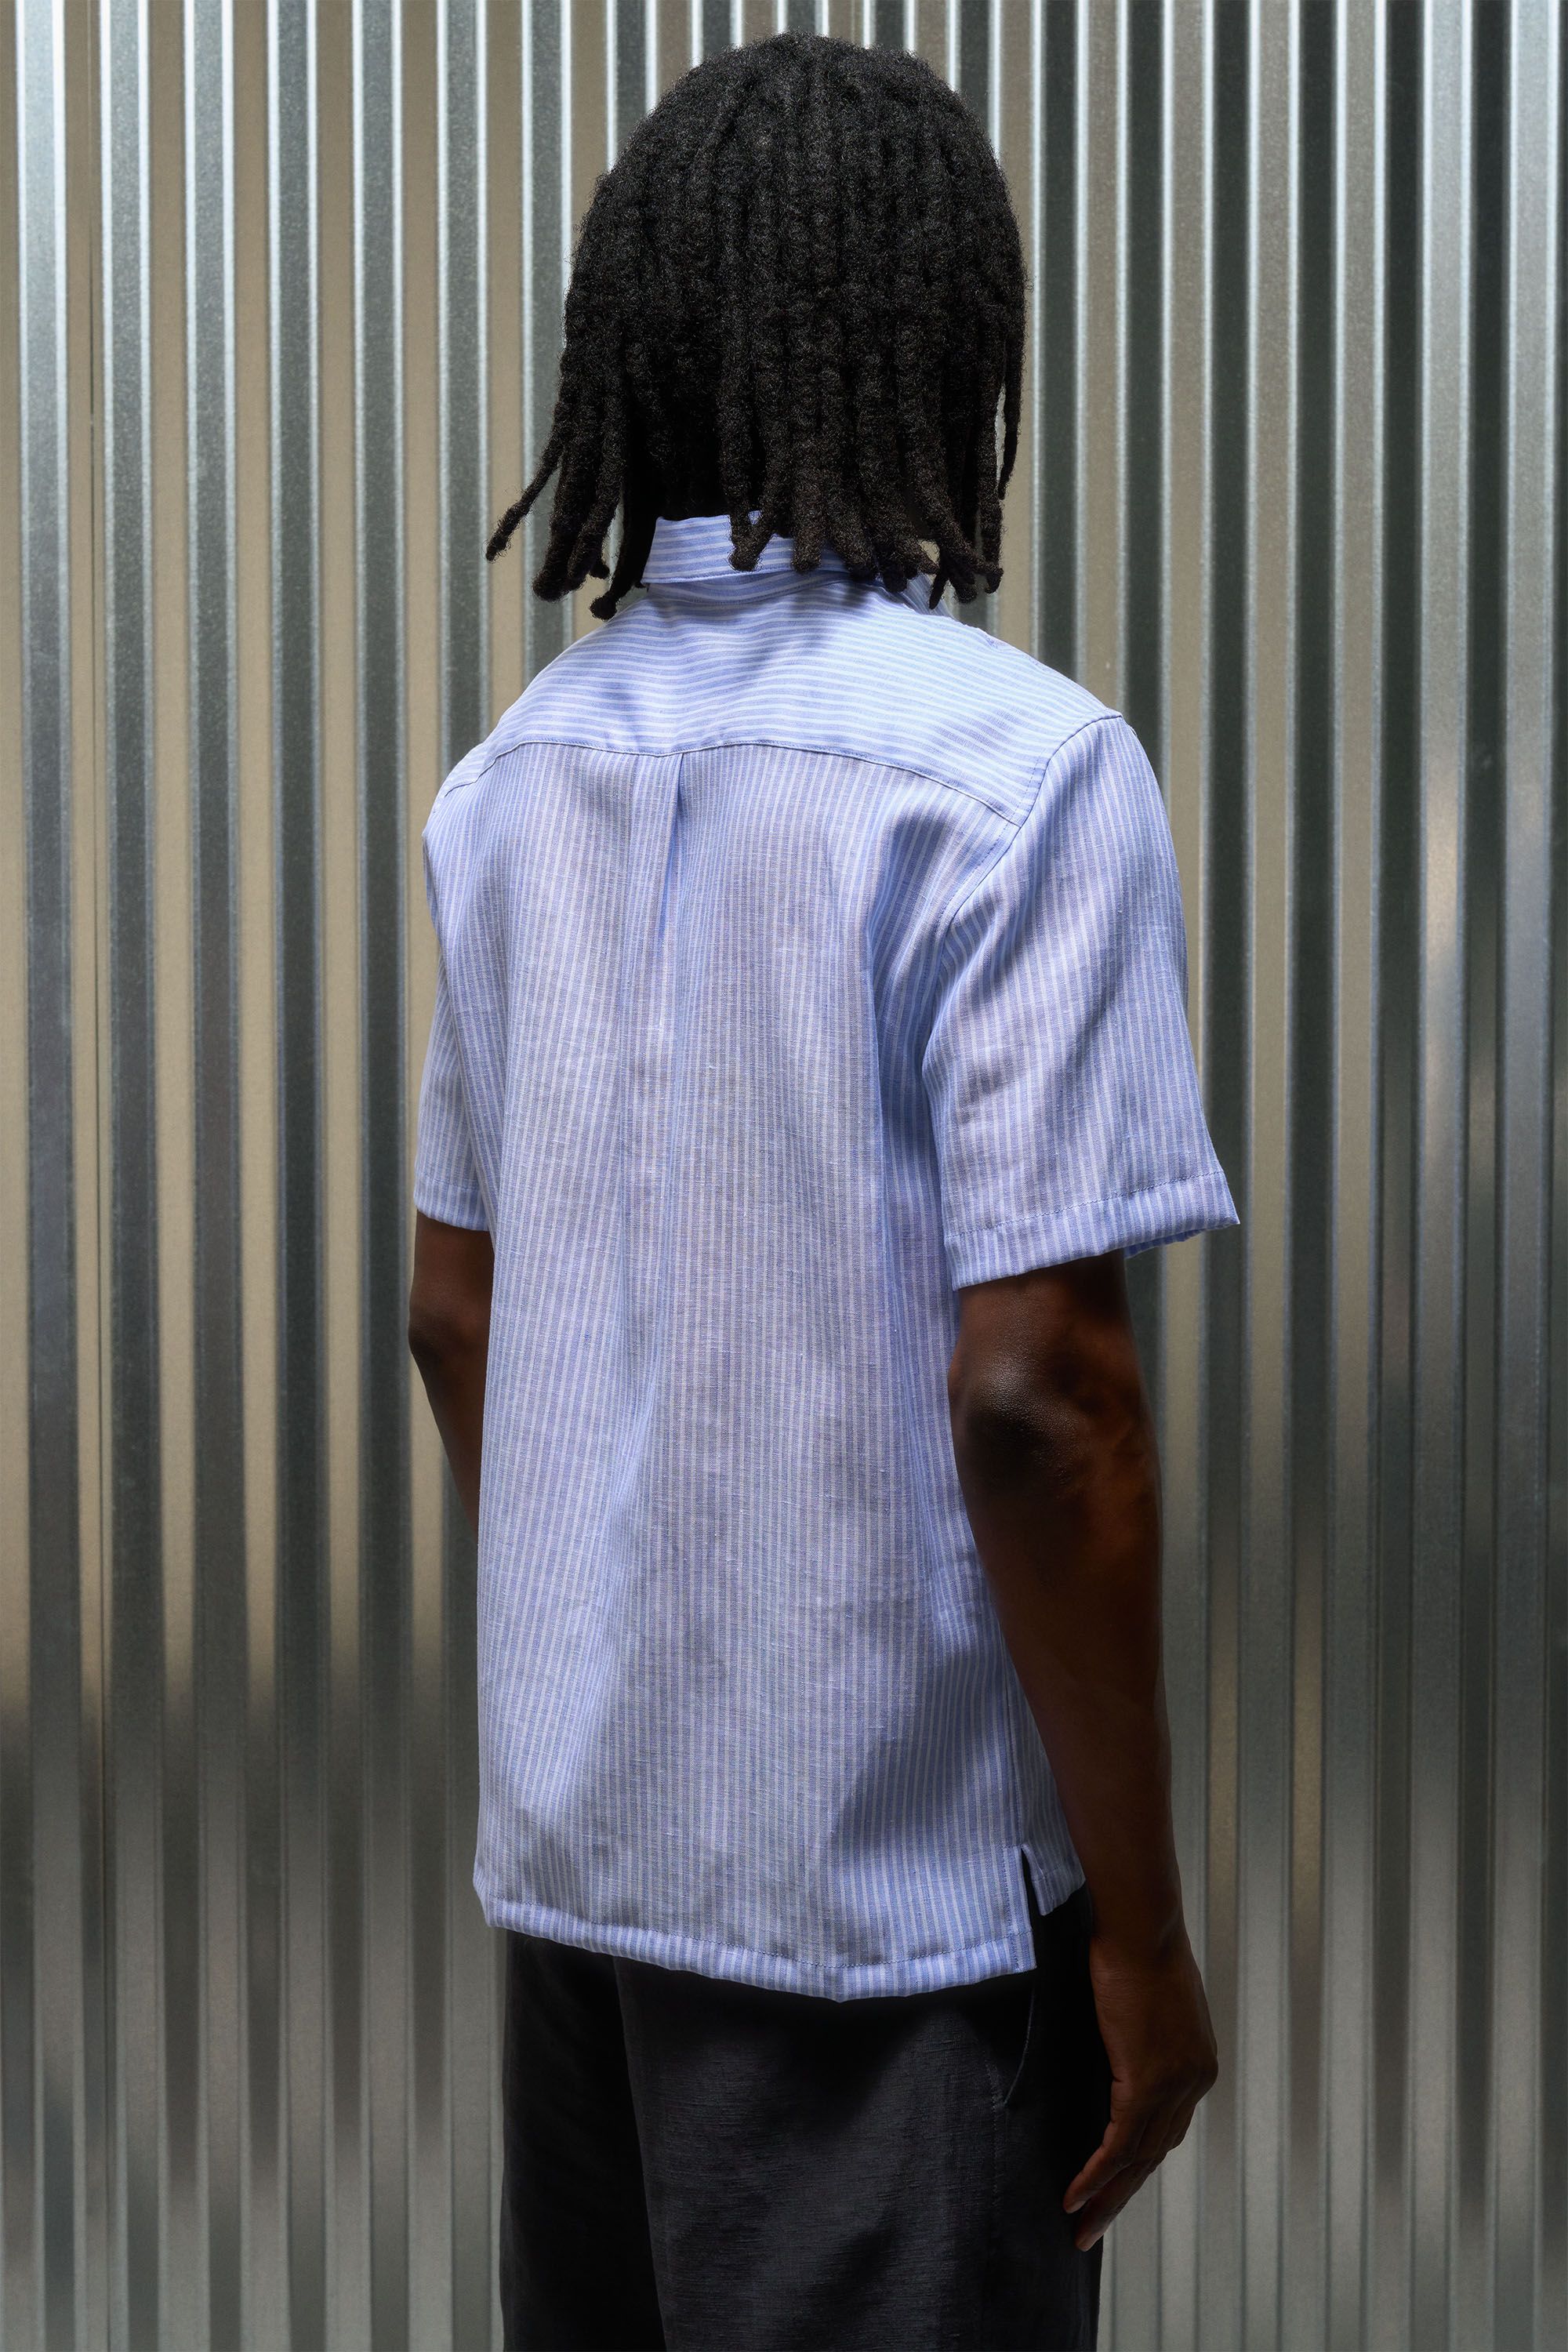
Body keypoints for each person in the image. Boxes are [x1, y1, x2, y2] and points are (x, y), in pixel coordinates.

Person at [408, 31, 1238, 2352]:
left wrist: (615, 1676)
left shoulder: (513, 779)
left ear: (647, 346)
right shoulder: (1021, 773)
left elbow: (458, 1321)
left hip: (584, 1896)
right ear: (941, 344)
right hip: (891, 1939)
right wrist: (1145, 1938)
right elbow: (1043, 1400)